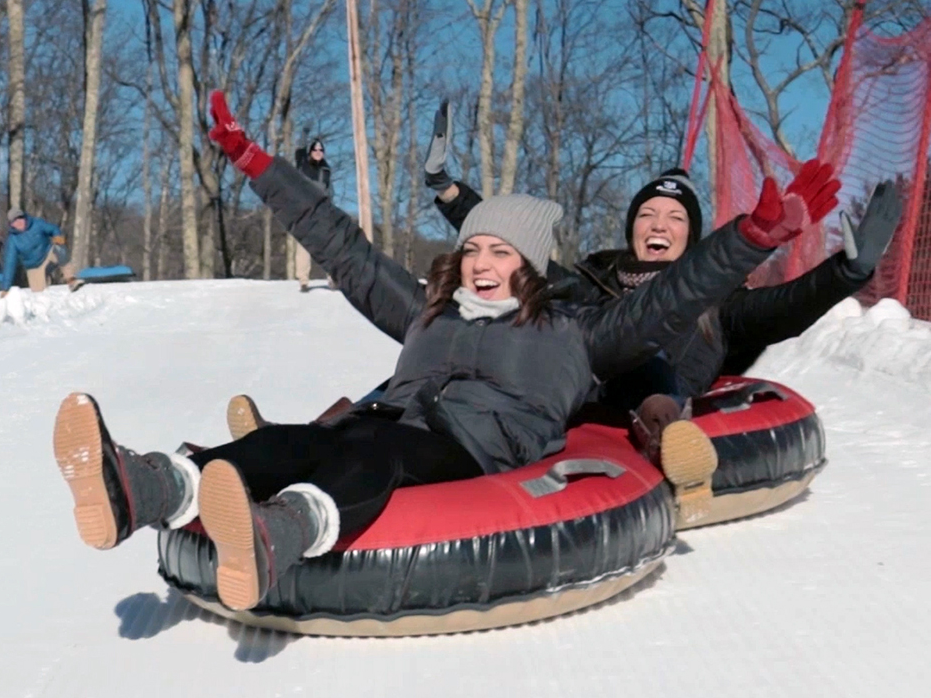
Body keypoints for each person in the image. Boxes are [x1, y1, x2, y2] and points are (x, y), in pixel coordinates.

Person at [52, 90, 829, 614]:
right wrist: (259, 166)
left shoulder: (575, 333)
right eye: (473, 249)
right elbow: (343, 248)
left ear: (528, 265)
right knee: (309, 437)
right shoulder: (429, 311)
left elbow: (671, 298)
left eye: (499, 251)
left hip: (474, 447)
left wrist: (753, 237)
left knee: (375, 448)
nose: (482, 262)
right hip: (399, 421)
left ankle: (279, 532)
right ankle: (150, 486)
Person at [421, 99, 901, 463]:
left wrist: (846, 272)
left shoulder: (717, 298)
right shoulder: (595, 280)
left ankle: (666, 435)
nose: (657, 224)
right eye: (647, 214)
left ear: (691, 235)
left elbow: (784, 307)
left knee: (645, 361)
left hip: (655, 392)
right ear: (632, 228)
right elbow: (516, 253)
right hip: (578, 388)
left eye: (673, 218)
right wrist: (448, 190)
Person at [0, 208, 84, 297]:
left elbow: (53, 228)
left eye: (20, 218)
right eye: (14, 221)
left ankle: (71, 280)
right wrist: (5, 288)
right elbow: (10, 263)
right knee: (40, 296)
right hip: (34, 267)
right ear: (11, 224)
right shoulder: (12, 240)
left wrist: (57, 235)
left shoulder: (37, 223)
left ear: (24, 217)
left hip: (48, 255)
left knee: (60, 248)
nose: (19, 222)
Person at [292, 137, 334, 292]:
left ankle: (332, 278)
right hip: (304, 210)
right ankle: (303, 280)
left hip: (322, 211)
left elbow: (329, 190)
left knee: (328, 245)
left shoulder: (326, 170)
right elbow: (299, 151)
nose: (318, 152)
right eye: (315, 150)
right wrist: (304, 134)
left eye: (320, 150)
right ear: (310, 152)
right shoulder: (303, 165)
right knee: (304, 246)